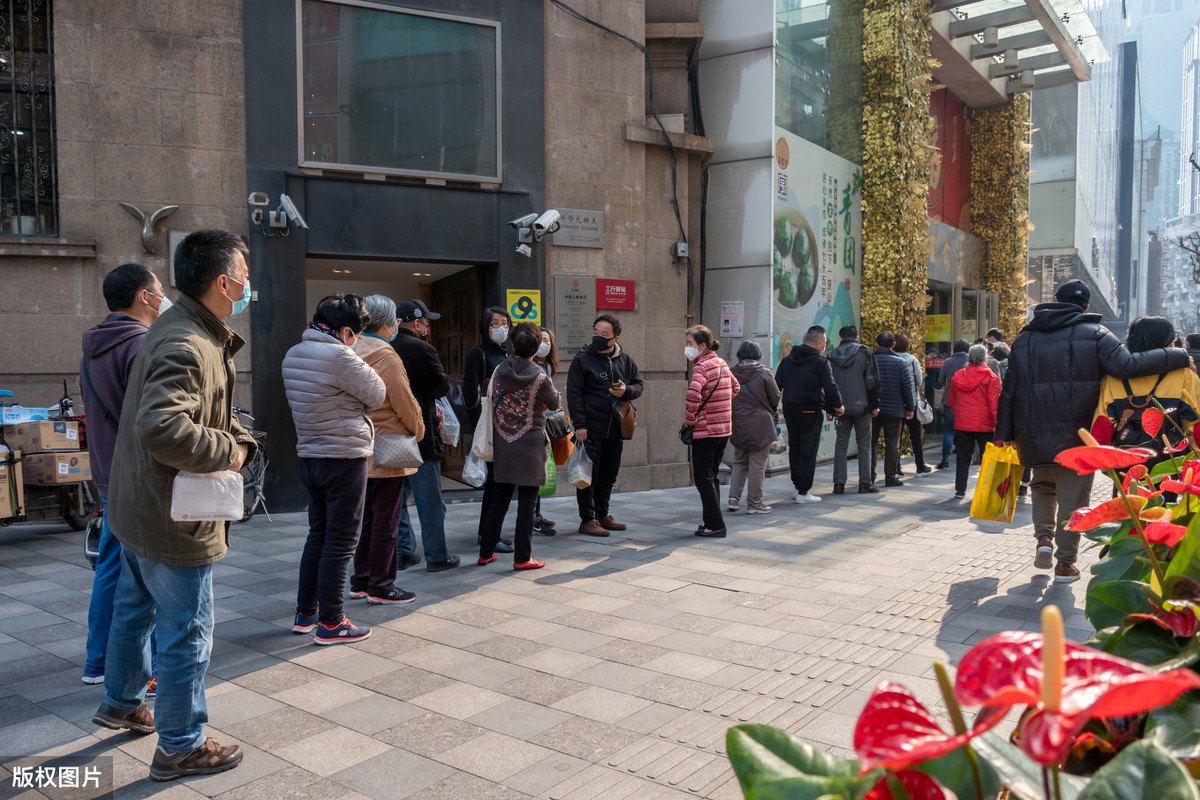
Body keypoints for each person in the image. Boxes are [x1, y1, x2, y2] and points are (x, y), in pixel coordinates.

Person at [93, 230, 257, 780]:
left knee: (133, 611)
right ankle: (180, 744)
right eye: (244, 273)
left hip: (140, 507)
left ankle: (119, 700)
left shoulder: (181, 327)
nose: (248, 282)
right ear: (223, 282)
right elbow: (161, 425)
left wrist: (231, 434)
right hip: (172, 516)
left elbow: (197, 408)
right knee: (186, 630)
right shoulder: (188, 340)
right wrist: (229, 450)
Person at [996, 279, 1192, 583]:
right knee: (1074, 497)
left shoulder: (1025, 339)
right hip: (1078, 433)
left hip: (1031, 431)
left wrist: (1004, 432)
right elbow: (1126, 365)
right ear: (1086, 306)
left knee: (1042, 486)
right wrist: (1178, 355)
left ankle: (1044, 540)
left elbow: (1008, 390)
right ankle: (1065, 563)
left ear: (1056, 299)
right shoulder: (1097, 334)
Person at [282, 293, 385, 644]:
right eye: (357, 333)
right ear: (345, 331)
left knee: (319, 535)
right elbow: (377, 394)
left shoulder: (294, 353)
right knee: (342, 542)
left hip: (310, 455)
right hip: (343, 456)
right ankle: (331, 621)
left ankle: (305, 612)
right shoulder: (341, 356)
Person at [79, 263, 164, 686]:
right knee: (149, 578)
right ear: (143, 297)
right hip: (140, 477)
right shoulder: (142, 345)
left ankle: (98, 660)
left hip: (110, 474)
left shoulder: (94, 346)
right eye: (159, 291)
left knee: (112, 568)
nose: (163, 297)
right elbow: (152, 421)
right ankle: (137, 671)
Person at [349, 295, 425, 604]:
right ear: (387, 324)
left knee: (364, 519)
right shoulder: (386, 355)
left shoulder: (349, 349)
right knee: (386, 520)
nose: (397, 326)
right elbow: (403, 402)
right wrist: (418, 430)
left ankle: (361, 580)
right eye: (395, 320)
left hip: (358, 443)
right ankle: (382, 585)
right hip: (389, 444)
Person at [477, 322, 561, 568]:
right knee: (528, 502)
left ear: (513, 345)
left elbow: (491, 396)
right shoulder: (540, 376)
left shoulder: (500, 370)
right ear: (536, 348)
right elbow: (555, 403)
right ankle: (523, 557)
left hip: (503, 441)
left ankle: (485, 552)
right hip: (531, 445)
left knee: (499, 499)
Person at [392, 299, 461, 572]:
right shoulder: (422, 349)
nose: (428, 326)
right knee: (429, 500)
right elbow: (440, 387)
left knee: (397, 499)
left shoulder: (385, 348)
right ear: (417, 322)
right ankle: (436, 555)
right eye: (426, 321)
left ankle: (403, 551)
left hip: (392, 434)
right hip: (421, 433)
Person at [566, 314, 644, 536]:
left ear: (615, 338)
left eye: (604, 334)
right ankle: (587, 519)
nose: (598, 337)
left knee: (609, 474)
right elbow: (574, 394)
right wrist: (579, 425)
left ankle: (602, 514)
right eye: (595, 332)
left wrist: (626, 391)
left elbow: (639, 385)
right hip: (590, 429)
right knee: (588, 476)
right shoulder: (582, 360)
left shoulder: (625, 360)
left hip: (616, 429)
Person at [1093, 316, 1200, 471]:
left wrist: (1105, 464)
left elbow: (1102, 423)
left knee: (1127, 496)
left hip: (1124, 462)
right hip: (1170, 463)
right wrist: (1196, 461)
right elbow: (1195, 423)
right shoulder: (1184, 374)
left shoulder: (1113, 376)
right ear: (1166, 341)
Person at [465, 306, 515, 553]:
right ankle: (488, 534)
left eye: (504, 323)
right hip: (489, 428)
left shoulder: (507, 354)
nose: (500, 328)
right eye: (494, 323)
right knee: (495, 485)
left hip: (505, 426)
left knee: (499, 484)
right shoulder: (478, 354)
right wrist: (479, 430)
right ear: (485, 327)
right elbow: (469, 395)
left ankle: (489, 532)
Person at [775, 325, 843, 503]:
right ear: (819, 343)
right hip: (810, 409)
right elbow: (830, 388)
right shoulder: (821, 362)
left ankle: (798, 487)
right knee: (808, 450)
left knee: (796, 447)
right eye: (825, 342)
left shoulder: (787, 360)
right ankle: (803, 492)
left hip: (789, 409)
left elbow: (776, 385)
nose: (825, 345)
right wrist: (837, 406)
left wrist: (773, 407)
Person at [683, 325, 739, 536]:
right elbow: (735, 387)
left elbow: (693, 395)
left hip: (705, 431)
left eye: (690, 344)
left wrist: (691, 418)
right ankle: (709, 522)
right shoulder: (721, 363)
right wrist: (720, 407)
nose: (687, 348)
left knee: (703, 478)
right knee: (712, 476)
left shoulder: (702, 367)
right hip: (724, 430)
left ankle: (716, 525)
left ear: (703, 346)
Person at [728, 341, 779, 514]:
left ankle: (733, 499)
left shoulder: (730, 372)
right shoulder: (764, 373)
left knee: (739, 461)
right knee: (758, 464)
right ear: (758, 355)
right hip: (760, 425)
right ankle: (754, 503)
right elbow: (775, 397)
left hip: (737, 423)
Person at [828, 325, 881, 494]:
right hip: (862, 407)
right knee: (864, 445)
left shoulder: (831, 355)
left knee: (841, 444)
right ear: (856, 337)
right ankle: (865, 483)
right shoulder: (864, 352)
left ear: (840, 338)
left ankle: (838, 484)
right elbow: (872, 381)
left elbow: (828, 385)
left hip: (840, 408)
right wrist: (874, 405)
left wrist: (830, 408)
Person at [948, 344, 1001, 500]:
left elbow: (951, 401)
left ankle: (960, 490)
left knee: (963, 457)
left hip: (964, 423)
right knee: (987, 460)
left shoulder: (958, 376)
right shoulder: (991, 377)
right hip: (985, 424)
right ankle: (984, 492)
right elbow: (994, 405)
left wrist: (959, 414)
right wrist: (997, 423)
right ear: (985, 358)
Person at [872, 332, 915, 487]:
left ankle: (869, 476)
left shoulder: (870, 360)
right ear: (893, 345)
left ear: (877, 344)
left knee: (871, 442)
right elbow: (907, 387)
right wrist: (910, 407)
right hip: (894, 409)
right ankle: (890, 477)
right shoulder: (900, 362)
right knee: (892, 444)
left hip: (872, 409)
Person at [531, 327, 560, 536]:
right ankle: (532, 518)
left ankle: (537, 515)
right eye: (541, 339)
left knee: (540, 472)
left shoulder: (547, 366)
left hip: (546, 422)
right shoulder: (532, 367)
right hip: (536, 424)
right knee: (534, 474)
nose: (544, 344)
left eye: (548, 340)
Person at [894, 333, 931, 477]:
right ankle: (920, 467)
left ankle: (895, 468)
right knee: (915, 435)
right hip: (912, 402)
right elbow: (919, 380)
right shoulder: (912, 360)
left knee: (895, 437)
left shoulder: (891, 359)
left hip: (895, 403)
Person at [935, 340, 970, 470]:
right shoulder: (971, 362)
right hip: (967, 401)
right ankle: (964, 457)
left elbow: (940, 381)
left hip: (950, 399)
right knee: (966, 431)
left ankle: (945, 458)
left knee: (949, 430)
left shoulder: (948, 362)